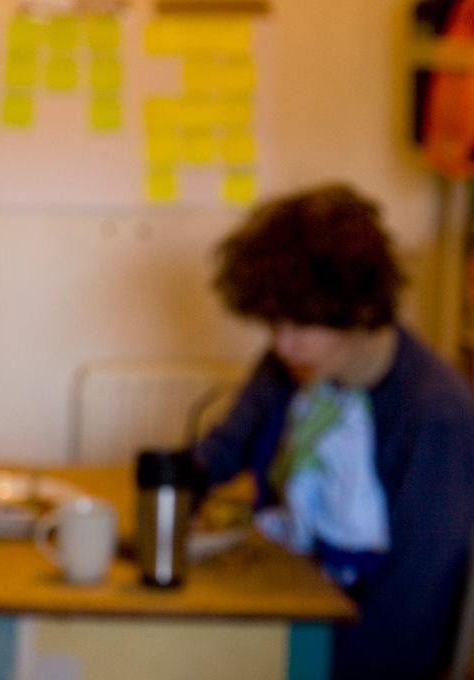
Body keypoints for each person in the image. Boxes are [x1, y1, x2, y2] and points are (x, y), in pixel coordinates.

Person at [194, 183, 474, 679]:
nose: (282, 344)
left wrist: (275, 660)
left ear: (361, 310)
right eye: (273, 325)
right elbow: (225, 449)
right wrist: (175, 482)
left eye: (300, 325)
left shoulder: (437, 417)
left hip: (355, 652)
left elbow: (407, 618)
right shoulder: (298, 364)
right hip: (289, 599)